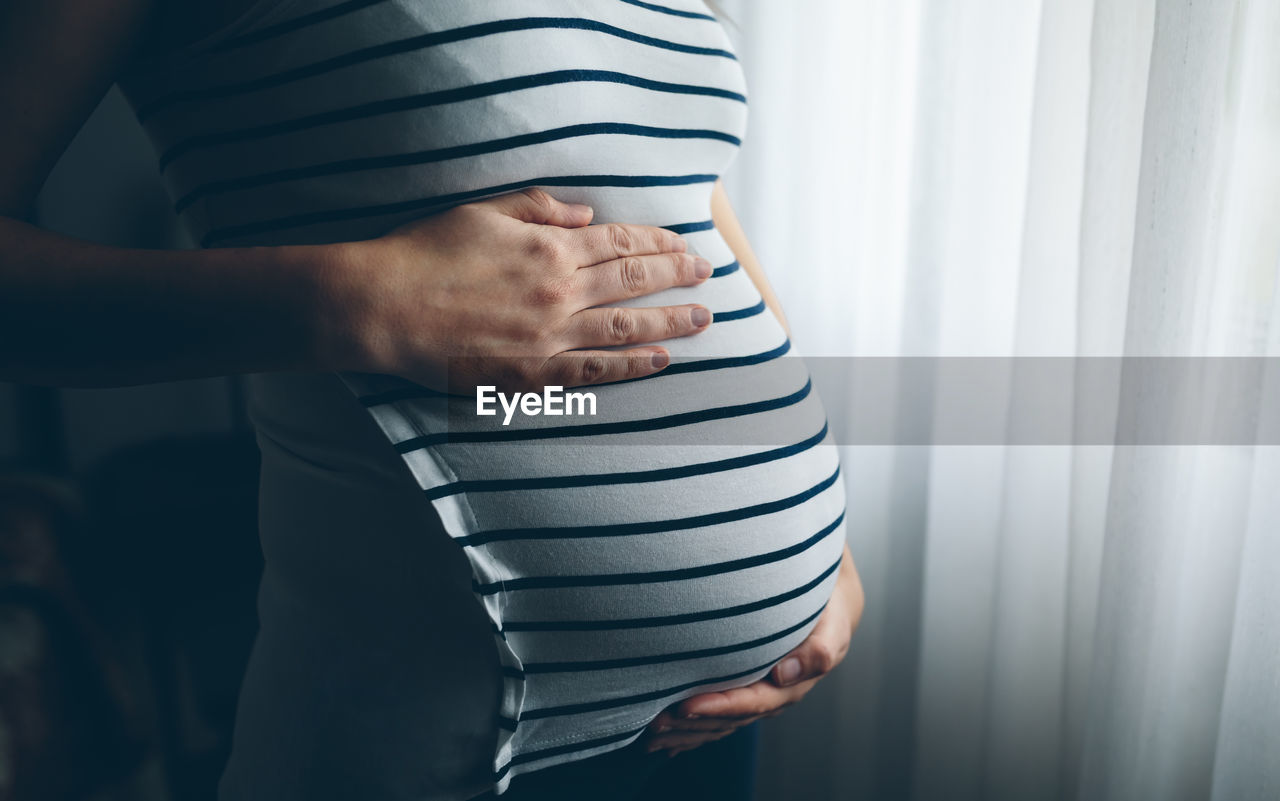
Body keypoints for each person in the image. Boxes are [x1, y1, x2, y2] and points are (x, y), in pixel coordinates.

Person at [0, 1, 865, 799]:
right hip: (447, 744)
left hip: (711, 723)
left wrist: (826, 549)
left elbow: (688, 209)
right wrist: (362, 297)